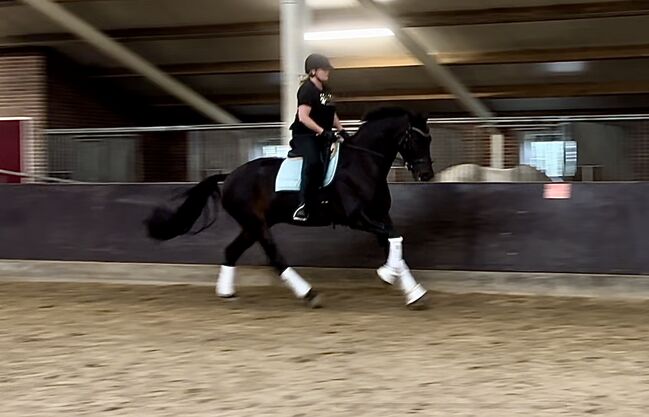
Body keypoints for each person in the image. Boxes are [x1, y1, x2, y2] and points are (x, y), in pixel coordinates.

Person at [289, 53, 349, 222]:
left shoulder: (327, 91)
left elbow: (332, 113)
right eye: (324, 69)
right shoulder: (307, 89)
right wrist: (323, 131)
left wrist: (341, 129)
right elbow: (303, 117)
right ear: (313, 71)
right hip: (305, 135)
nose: (328, 72)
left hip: (323, 135)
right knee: (314, 161)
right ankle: (303, 205)